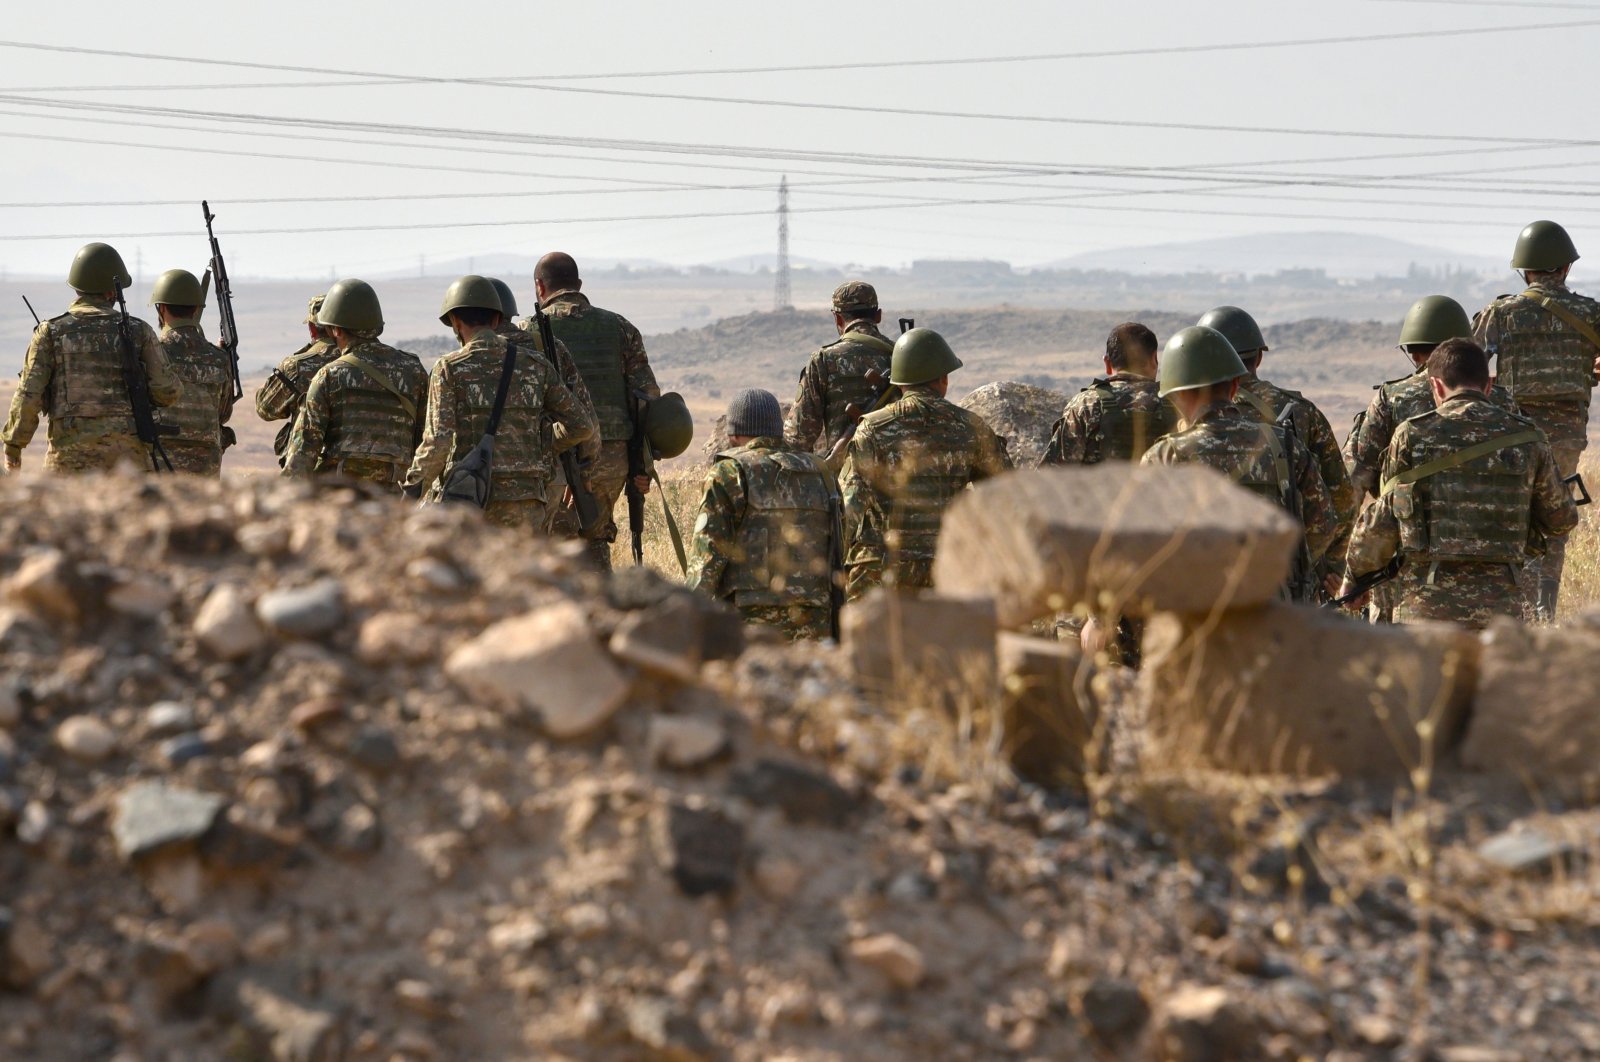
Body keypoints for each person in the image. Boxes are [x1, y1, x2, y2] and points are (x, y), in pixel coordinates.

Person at [1342, 338, 1577, 628]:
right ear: (1489, 386)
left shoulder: (1411, 436)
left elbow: (1383, 521)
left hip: (1424, 613)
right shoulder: (1529, 438)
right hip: (1500, 615)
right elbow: (1562, 519)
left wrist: (1355, 580)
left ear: (1436, 387)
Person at [1141, 325, 1337, 597]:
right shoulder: (1284, 444)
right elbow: (1323, 526)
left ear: (1179, 394)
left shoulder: (1165, 456)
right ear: (1235, 386)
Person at [1472, 220, 1600, 619]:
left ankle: (1515, 614)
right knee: (1555, 521)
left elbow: (1461, 363)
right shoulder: (1591, 313)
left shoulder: (1502, 312)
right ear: (1565, 268)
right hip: (1565, 439)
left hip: (1512, 436)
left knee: (1512, 517)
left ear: (1524, 270)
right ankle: (1542, 613)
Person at [403, 276, 594, 533]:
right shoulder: (536, 365)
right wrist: (541, 447)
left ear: (455, 322)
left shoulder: (449, 368)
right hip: (528, 501)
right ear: (496, 320)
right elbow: (582, 425)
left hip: (471, 499)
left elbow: (438, 443)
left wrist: (409, 498)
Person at [839, 328, 1011, 598]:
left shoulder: (872, 429)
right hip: (948, 568)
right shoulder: (971, 428)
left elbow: (848, 509)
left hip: (881, 571)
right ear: (943, 378)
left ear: (900, 383)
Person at [1197, 305, 1353, 594]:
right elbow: (1341, 502)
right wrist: (1324, 569)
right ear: (1258, 357)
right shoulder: (1302, 414)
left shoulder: (1184, 415)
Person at [517, 252, 659, 570]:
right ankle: (602, 605)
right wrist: (641, 464)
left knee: (554, 548)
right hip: (613, 457)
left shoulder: (529, 331)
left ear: (540, 287)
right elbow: (647, 397)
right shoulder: (620, 327)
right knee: (595, 537)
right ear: (579, 285)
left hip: (556, 456)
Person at [3, 242, 179, 474]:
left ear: (77, 287)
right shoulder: (139, 331)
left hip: (67, 461)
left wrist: (14, 445)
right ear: (112, 292)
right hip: (127, 463)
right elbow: (166, 393)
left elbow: (29, 395)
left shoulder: (51, 332)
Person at [687, 389, 841, 639]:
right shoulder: (821, 472)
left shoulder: (729, 472)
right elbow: (838, 548)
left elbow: (707, 557)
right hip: (815, 615)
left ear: (733, 433)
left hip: (750, 618)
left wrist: (687, 616)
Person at [282, 279, 427, 488]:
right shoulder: (414, 371)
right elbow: (424, 438)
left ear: (336, 330)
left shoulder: (330, 376)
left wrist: (285, 500)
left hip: (342, 497)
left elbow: (304, 450)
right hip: (396, 500)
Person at [488, 277, 601, 525]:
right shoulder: (549, 348)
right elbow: (585, 419)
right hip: (546, 477)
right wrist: (583, 472)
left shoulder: (464, 360)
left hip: (485, 481)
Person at [784, 280, 896, 467]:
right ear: (878, 316)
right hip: (900, 476)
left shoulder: (824, 360)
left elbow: (798, 437)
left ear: (837, 318)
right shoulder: (901, 356)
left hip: (844, 477)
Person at [1041, 322, 1176, 465]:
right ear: (1155, 359)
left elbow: (1053, 471)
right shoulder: (1177, 402)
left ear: (1107, 363)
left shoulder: (1085, 404)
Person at [148, 268, 234, 476]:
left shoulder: (151, 354)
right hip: (206, 466)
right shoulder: (218, 359)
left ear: (162, 308)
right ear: (196, 309)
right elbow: (223, 413)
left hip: (160, 461)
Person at [256, 294, 341, 466]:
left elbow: (265, 409)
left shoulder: (298, 366)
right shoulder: (369, 362)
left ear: (312, 328)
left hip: (310, 466)